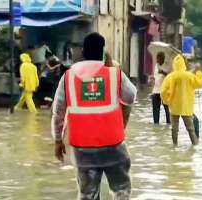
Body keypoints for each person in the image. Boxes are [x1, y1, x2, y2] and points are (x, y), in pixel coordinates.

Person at [52, 33, 137, 200]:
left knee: (87, 195)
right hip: (114, 145)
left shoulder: (68, 77)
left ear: (83, 52)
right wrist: (111, 66)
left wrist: (57, 140)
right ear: (103, 51)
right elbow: (130, 97)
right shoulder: (114, 74)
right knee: (121, 191)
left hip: (83, 149)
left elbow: (58, 112)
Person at [161, 55, 202, 146]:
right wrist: (199, 72)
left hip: (174, 107)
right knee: (190, 129)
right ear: (183, 64)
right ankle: (195, 145)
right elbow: (199, 83)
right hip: (186, 106)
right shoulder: (189, 76)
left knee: (174, 129)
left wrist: (166, 101)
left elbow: (163, 91)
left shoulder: (170, 77)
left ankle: (174, 145)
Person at [150, 52, 171, 124]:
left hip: (164, 90)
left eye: (158, 58)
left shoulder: (167, 66)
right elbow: (155, 76)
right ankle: (156, 124)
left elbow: (170, 76)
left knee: (167, 109)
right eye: (157, 58)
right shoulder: (156, 66)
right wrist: (152, 78)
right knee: (155, 110)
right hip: (155, 90)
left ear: (162, 58)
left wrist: (163, 72)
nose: (157, 60)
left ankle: (169, 123)